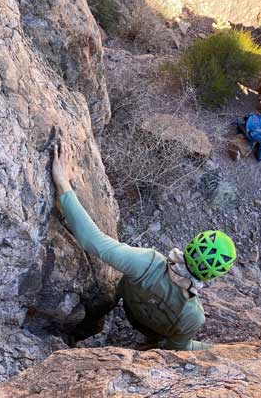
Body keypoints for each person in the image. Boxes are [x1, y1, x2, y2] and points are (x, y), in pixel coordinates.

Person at [51, 141, 237, 350]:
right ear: (213, 275)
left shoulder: (147, 263)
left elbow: (93, 241)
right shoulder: (193, 317)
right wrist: (219, 350)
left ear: (191, 245)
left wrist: (63, 183)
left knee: (104, 298)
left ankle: (81, 332)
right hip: (151, 334)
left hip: (126, 304)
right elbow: (179, 349)